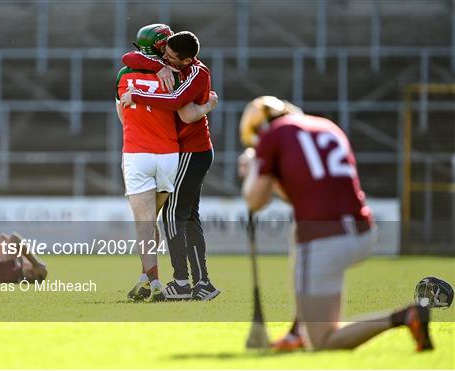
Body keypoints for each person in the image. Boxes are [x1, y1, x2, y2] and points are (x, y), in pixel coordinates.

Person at [238, 96, 433, 352]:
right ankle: (298, 330)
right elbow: (306, 190)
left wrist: (254, 171)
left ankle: (404, 316)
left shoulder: (273, 135)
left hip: (324, 240)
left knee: (324, 341)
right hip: (363, 232)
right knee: (300, 234)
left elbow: (255, 201)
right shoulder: (326, 126)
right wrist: (273, 176)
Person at [116, 25, 217, 302]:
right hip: (180, 152)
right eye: (164, 53)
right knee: (187, 215)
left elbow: (180, 108)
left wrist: (207, 107)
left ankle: (182, 283)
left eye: (170, 57)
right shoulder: (171, 66)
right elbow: (130, 57)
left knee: (172, 216)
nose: (166, 60)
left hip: (188, 151)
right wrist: (157, 65)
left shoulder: (196, 73)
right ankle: (202, 283)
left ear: (185, 60)